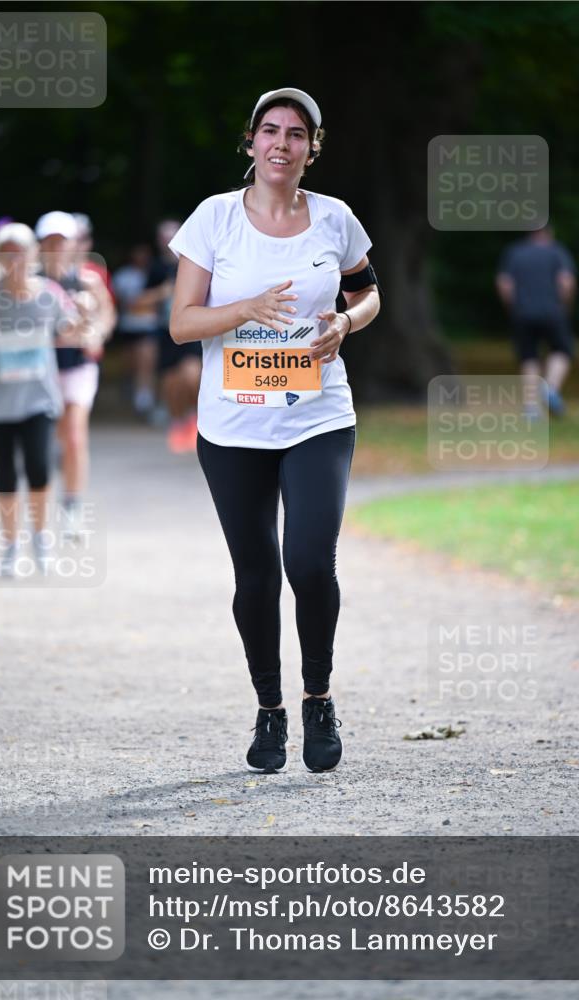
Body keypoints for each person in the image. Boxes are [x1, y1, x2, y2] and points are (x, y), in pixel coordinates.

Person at [169, 87, 380, 773]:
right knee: (256, 575)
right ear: (251, 143)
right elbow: (181, 323)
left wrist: (344, 324)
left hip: (318, 415)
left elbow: (367, 292)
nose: (281, 144)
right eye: (269, 131)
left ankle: (317, 696)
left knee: (310, 564)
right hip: (232, 427)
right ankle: (270, 710)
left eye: (295, 134)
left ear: (311, 150)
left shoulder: (335, 219)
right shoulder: (215, 220)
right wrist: (247, 308)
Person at [0, 223, 84, 576]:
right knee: (5, 476)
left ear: (32, 254)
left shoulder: (50, 294)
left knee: (39, 469)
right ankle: (11, 545)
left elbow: (70, 330)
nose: (14, 259)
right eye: (6, 252)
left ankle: (41, 540)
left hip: (38, 399)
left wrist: (87, 313)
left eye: (20, 251)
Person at [35, 211, 116, 536]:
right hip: (41, 369)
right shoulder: (30, 282)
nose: (56, 247)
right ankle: (42, 511)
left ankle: (72, 509)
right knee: (46, 440)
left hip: (78, 366)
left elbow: (107, 316)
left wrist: (95, 333)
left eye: (61, 240)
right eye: (49, 241)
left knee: (74, 435)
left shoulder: (88, 279)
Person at [496, 225, 577, 417]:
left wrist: (512, 308)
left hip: (522, 313)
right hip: (552, 312)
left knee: (528, 357)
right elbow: (566, 282)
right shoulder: (556, 251)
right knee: (562, 350)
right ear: (548, 231)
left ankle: (531, 408)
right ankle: (550, 389)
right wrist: (565, 305)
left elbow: (504, 284)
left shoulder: (514, 253)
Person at [141, 220, 202, 450]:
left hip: (193, 329)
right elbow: (138, 302)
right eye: (163, 238)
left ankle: (199, 419)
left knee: (191, 375)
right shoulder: (156, 268)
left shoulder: (197, 261)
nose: (167, 242)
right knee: (171, 383)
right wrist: (161, 293)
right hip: (165, 332)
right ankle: (179, 423)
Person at [111, 243, 159, 416]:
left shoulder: (155, 273)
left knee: (146, 362)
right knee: (130, 365)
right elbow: (127, 303)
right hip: (128, 327)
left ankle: (144, 398)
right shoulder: (123, 276)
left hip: (148, 327)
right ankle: (131, 392)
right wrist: (156, 295)